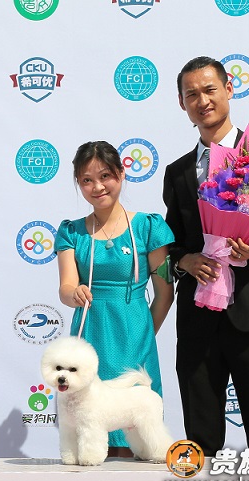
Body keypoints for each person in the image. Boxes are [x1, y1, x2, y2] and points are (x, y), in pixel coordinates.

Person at [162, 56, 249, 456]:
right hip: (197, 316)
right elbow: (172, 241)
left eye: (210, 90)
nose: (202, 101)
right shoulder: (177, 172)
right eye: (192, 94)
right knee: (200, 439)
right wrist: (184, 261)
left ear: (229, 89)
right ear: (182, 103)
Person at [55, 140, 175, 457]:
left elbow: (165, 293)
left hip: (136, 338)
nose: (97, 187)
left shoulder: (149, 227)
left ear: (122, 174)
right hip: (90, 336)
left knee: (142, 434)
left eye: (105, 176)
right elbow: (66, 287)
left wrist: (145, 334)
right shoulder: (71, 232)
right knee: (89, 432)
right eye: (87, 180)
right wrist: (74, 293)